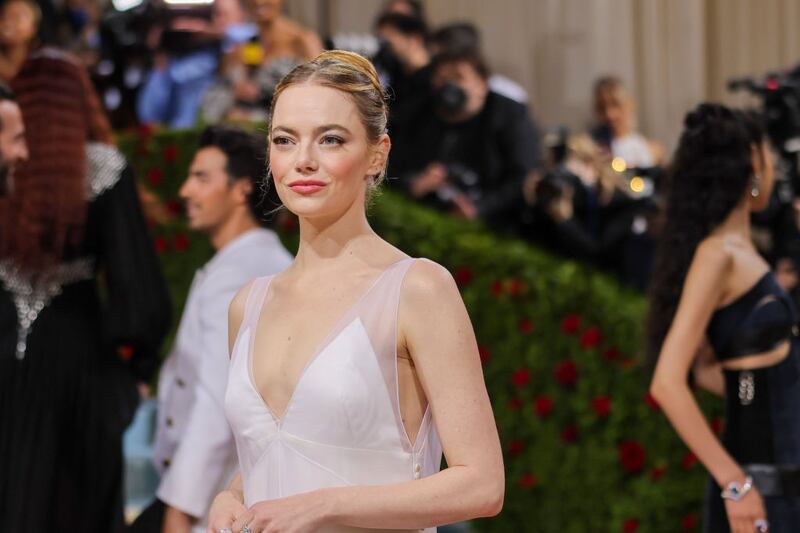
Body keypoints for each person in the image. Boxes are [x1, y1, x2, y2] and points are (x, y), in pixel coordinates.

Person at [208, 50, 504, 533]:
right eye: (285, 140)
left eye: (330, 139)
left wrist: (323, 506)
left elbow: (482, 485)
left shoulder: (417, 288)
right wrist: (232, 494)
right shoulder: (249, 304)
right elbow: (278, 447)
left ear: (376, 154)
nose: (303, 161)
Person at [0, 50, 171, 532]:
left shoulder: (8, 164)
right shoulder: (101, 168)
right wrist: (136, 367)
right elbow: (138, 289)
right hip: (79, 362)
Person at [129, 126, 293, 533]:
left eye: (201, 178)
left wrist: (180, 509)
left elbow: (216, 401)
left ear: (240, 190)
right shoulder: (254, 260)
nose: (185, 190)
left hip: (213, 505)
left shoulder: (240, 272)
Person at [649, 103, 799, 532]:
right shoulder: (717, 255)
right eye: (769, 156)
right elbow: (667, 382)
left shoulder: (743, 251)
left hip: (780, 488)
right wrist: (735, 484)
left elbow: (730, 377)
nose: (776, 169)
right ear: (753, 160)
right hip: (760, 497)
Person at [389, 48, 541, 233]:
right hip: (425, 218)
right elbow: (391, 164)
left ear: (482, 85)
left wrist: (477, 208)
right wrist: (414, 184)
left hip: (494, 224)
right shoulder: (418, 113)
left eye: (459, 77)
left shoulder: (510, 116)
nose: (449, 86)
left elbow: (522, 175)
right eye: (442, 78)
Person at [591, 75, 664, 168]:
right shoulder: (594, 149)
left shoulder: (650, 150)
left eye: (616, 104)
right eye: (602, 107)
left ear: (630, 104)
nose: (610, 114)